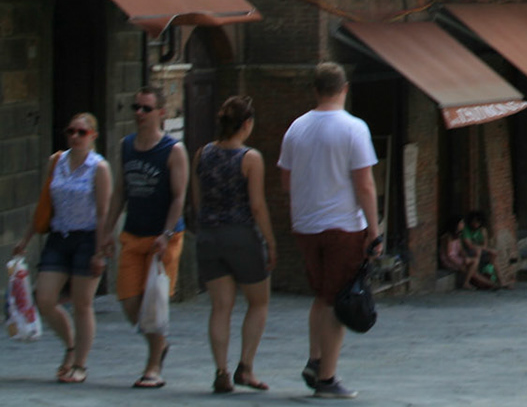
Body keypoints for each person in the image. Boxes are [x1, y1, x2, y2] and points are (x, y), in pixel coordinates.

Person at [279, 62, 380, 399]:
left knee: (323, 294)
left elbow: (285, 181)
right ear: (344, 89)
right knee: (339, 300)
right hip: (342, 225)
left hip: (305, 225)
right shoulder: (354, 128)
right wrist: (374, 230)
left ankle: (315, 360)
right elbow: (364, 184)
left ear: (315, 89)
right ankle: (327, 378)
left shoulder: (296, 128)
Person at [11, 111, 111, 384]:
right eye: (71, 131)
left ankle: (80, 363)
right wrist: (25, 239)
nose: (76, 137)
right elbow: (44, 203)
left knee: (82, 303)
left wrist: (99, 251)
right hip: (59, 236)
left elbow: (103, 212)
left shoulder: (99, 167)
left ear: (93, 136)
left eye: (82, 132)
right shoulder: (56, 161)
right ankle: (69, 345)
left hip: (87, 238)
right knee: (44, 298)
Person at [105, 85, 188, 390]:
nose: (139, 113)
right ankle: (159, 344)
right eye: (135, 107)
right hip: (133, 235)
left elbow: (179, 197)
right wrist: (107, 232)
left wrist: (166, 234)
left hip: (163, 238)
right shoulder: (127, 146)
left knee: (152, 305)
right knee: (129, 302)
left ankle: (153, 366)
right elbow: (120, 193)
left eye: (146, 108)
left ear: (162, 113)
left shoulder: (172, 150)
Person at [194, 95, 276, 392]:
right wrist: (270, 241)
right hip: (241, 234)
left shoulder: (202, 153)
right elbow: (257, 206)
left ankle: (221, 371)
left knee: (220, 306)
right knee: (259, 301)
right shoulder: (250, 158)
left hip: (209, 235)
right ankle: (246, 368)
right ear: (247, 124)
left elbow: (197, 198)